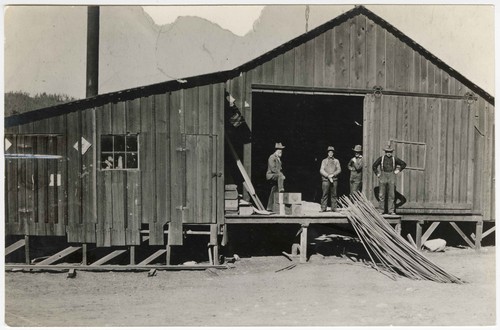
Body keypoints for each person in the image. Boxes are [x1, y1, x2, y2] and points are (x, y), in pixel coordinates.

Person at [372, 142, 407, 214]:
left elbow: (403, 164)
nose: (389, 153)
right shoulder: (381, 159)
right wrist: (378, 173)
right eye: (387, 152)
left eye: (390, 152)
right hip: (383, 175)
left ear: (392, 152)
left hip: (391, 175)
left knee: (391, 195)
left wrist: (398, 170)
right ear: (385, 152)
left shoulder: (394, 159)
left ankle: (391, 211)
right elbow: (374, 166)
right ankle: (381, 210)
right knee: (381, 194)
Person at [319, 146, 341, 212]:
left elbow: (339, 169)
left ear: (333, 153)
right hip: (326, 180)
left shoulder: (336, 161)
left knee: (334, 194)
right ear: (327, 153)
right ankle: (323, 208)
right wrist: (327, 175)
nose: (330, 153)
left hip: (334, 180)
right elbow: (321, 170)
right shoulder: (324, 161)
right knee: (325, 194)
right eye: (329, 152)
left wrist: (333, 174)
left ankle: (334, 208)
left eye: (332, 152)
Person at [266, 142, 286, 211]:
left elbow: (280, 169)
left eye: (281, 150)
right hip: (271, 175)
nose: (281, 151)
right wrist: (281, 174)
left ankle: (269, 207)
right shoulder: (272, 157)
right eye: (280, 150)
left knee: (273, 190)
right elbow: (273, 169)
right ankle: (281, 190)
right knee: (280, 176)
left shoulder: (278, 159)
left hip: (276, 175)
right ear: (276, 150)